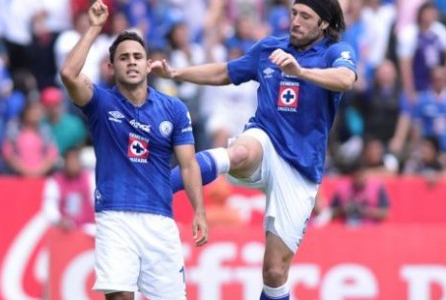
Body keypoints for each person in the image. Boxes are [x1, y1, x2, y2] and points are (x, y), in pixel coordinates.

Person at [152, 0, 357, 299]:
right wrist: (176, 73)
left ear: (324, 23)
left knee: (274, 273)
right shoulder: (269, 49)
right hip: (265, 139)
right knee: (240, 152)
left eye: (305, 16)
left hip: (301, 168)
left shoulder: (335, 52)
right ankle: (157, 188)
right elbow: (225, 72)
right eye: (294, 13)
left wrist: (300, 71)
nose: (296, 21)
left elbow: (346, 79)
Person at [59, 2, 208, 300]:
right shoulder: (100, 103)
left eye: (138, 56)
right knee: (119, 297)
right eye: (123, 57)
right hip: (115, 216)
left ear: (148, 64)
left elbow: (188, 165)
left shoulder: (174, 109)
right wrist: (94, 28)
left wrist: (199, 211)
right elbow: (68, 74)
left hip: (159, 220)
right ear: (111, 67)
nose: (131, 62)